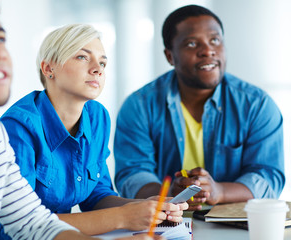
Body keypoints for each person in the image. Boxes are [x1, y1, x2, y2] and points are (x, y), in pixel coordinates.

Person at [0, 1, 162, 240]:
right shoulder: (15, 128)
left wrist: (139, 210)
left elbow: (33, 223)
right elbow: (11, 231)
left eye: (0, 39)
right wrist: (122, 217)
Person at [0, 24, 188, 239]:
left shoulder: (97, 116)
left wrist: (145, 207)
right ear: (49, 68)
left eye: (103, 62)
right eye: (82, 57)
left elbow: (96, 195)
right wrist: (123, 216)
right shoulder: (18, 128)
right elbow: (23, 223)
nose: (98, 68)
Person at [114, 4, 285, 211]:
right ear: (170, 56)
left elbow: (268, 177)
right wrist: (169, 194)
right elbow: (132, 175)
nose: (207, 51)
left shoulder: (257, 105)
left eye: (214, 40)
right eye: (192, 43)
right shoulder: (139, 106)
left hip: (234, 225)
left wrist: (218, 191)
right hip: (164, 223)